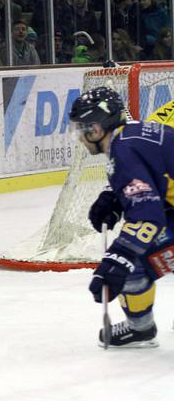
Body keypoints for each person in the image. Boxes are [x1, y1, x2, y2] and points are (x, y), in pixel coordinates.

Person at [69, 86, 174, 347]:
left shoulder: (123, 151)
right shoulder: (134, 133)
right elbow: (155, 173)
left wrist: (118, 259)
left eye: (83, 130)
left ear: (97, 129)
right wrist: (114, 196)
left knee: (132, 265)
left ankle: (140, 328)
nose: (81, 138)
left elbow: (147, 218)